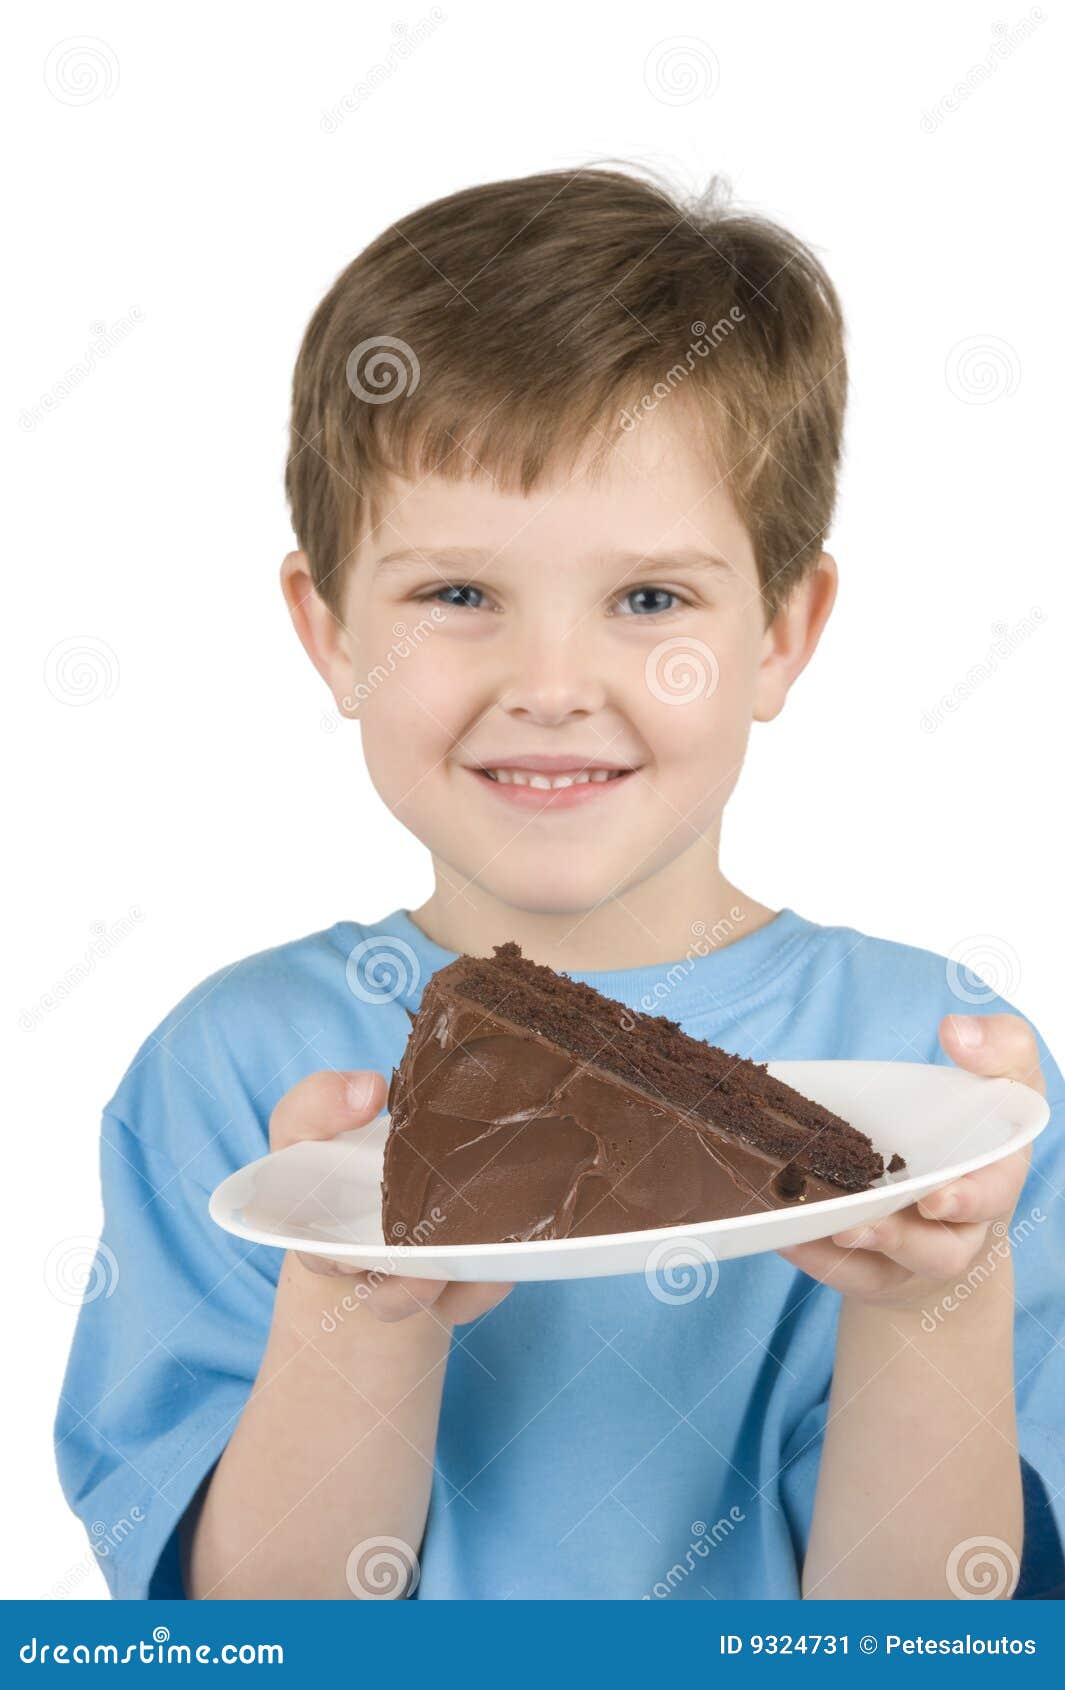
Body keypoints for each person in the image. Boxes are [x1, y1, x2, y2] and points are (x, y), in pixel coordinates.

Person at [56, 166, 1064, 1600]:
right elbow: (257, 1638)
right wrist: (363, 1309)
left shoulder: (941, 1079)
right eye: (457, 595)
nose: (549, 686)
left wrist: (935, 1299)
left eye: (648, 599)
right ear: (329, 627)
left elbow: (922, 1632)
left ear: (781, 630)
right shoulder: (236, 1074)